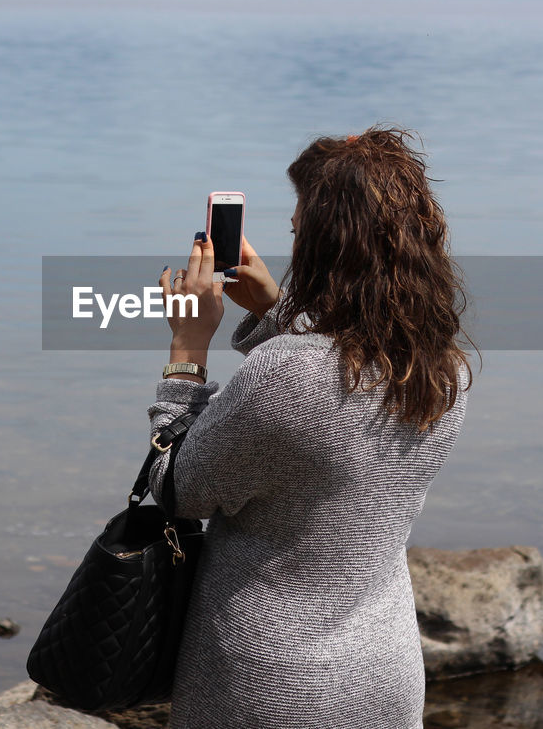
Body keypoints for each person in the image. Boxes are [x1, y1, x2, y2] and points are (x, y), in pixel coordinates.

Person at [148, 126, 474, 729]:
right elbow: (324, 420)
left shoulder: (289, 371)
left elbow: (178, 492)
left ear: (326, 248)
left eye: (300, 232)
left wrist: (187, 352)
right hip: (385, 670)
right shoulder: (437, 368)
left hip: (273, 680)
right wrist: (278, 312)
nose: (294, 244)